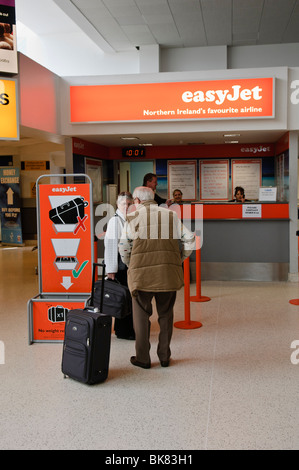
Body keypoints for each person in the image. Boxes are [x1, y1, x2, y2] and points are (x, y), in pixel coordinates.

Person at [119, 186, 195, 369]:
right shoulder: (171, 215)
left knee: (141, 318)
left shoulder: (132, 218)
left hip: (141, 277)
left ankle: (143, 358)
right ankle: (164, 357)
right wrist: (178, 259)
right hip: (167, 275)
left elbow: (123, 247)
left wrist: (132, 264)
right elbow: (190, 239)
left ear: (137, 201)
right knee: (166, 315)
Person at [104, 191, 135, 340]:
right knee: (123, 299)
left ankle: (123, 328)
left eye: (129, 204)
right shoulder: (115, 222)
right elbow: (110, 246)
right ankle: (124, 331)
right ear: (118, 205)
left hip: (127, 265)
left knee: (126, 299)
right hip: (120, 266)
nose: (127, 206)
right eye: (124, 204)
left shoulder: (128, 219)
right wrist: (111, 270)